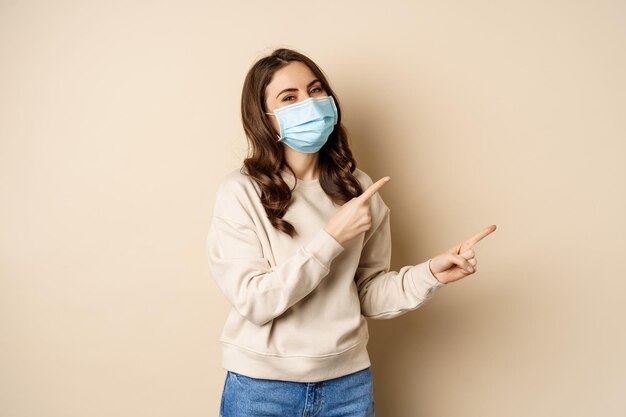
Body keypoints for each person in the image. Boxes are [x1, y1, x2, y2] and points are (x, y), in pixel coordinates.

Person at [206, 47, 496, 417]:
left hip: (348, 387)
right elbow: (255, 302)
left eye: (315, 90)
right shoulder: (241, 192)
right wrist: (331, 239)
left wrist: (430, 275)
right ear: (264, 117)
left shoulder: (359, 189)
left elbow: (367, 293)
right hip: (261, 389)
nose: (308, 104)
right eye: (289, 97)